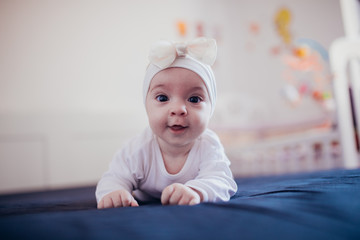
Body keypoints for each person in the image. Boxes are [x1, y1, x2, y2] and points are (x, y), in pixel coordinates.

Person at [96, 37, 237, 208]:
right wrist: (115, 193)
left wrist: (197, 191)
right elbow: (114, 177)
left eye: (194, 99)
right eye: (163, 98)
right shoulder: (138, 149)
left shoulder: (208, 146)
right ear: (146, 105)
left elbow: (221, 180)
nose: (178, 109)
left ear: (210, 109)